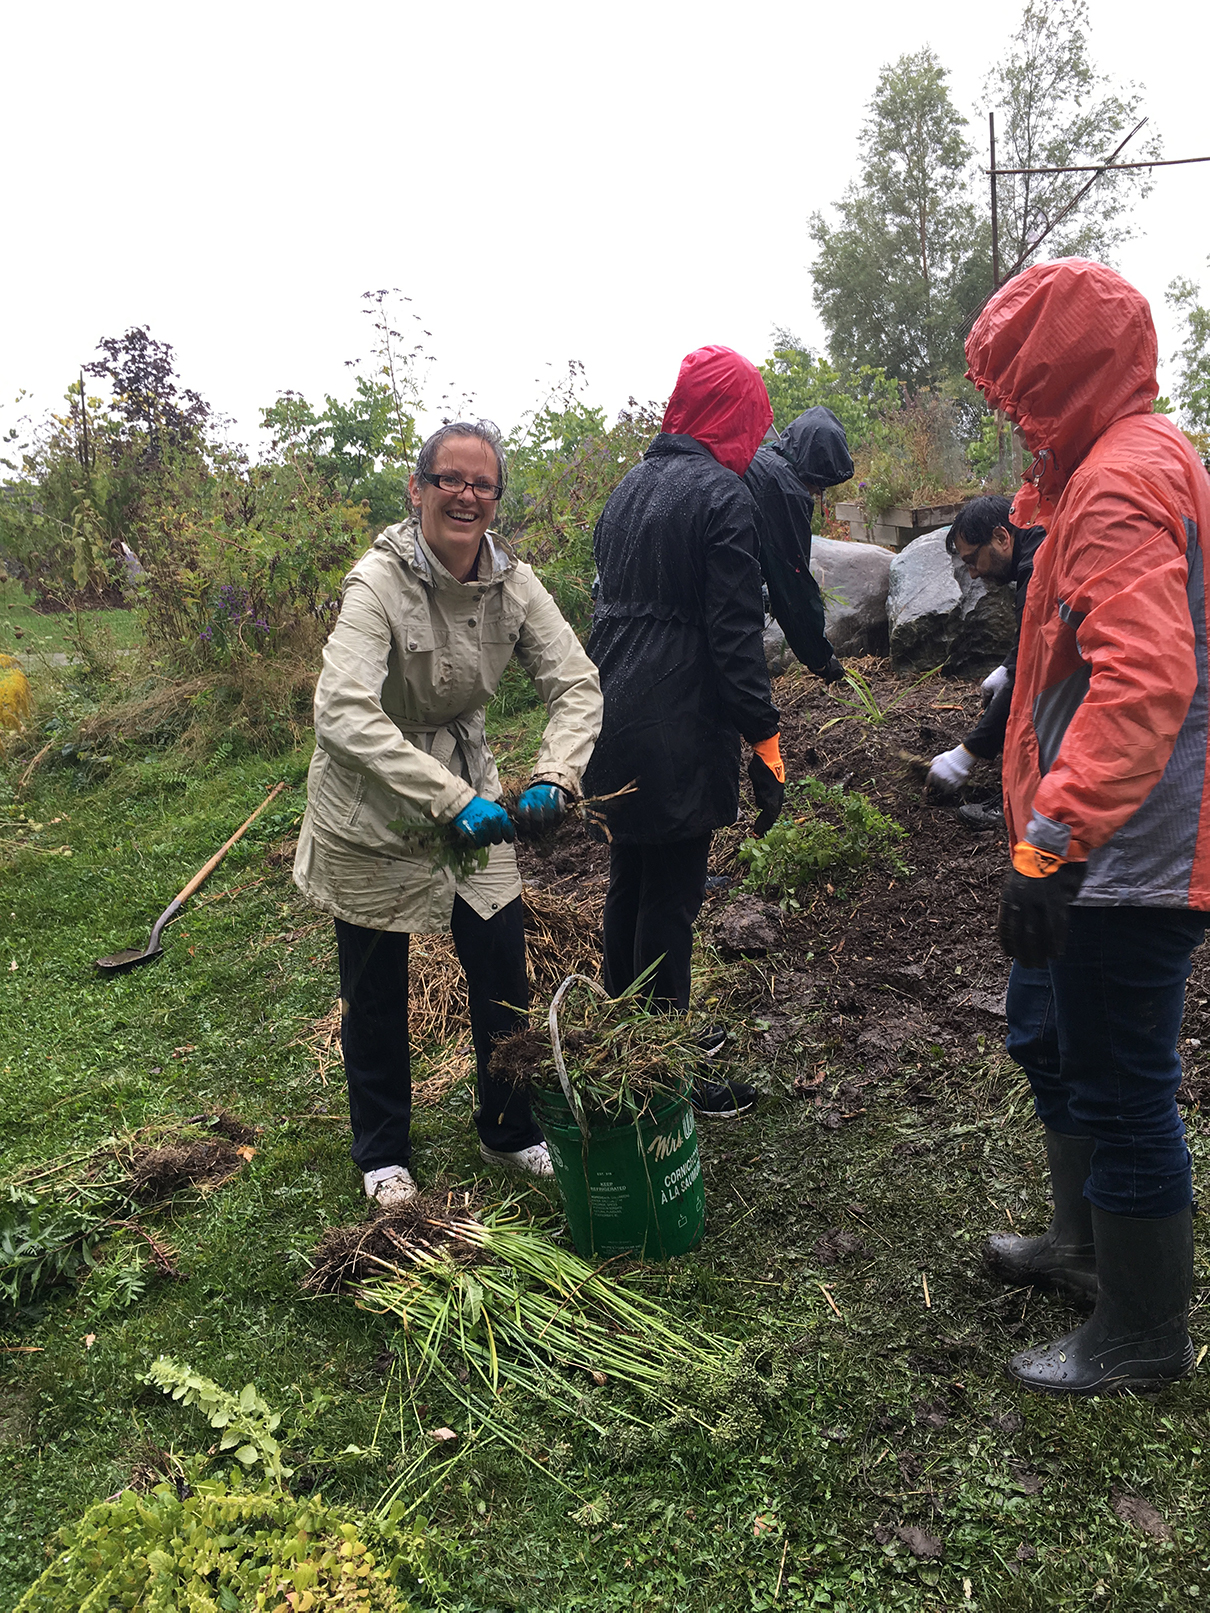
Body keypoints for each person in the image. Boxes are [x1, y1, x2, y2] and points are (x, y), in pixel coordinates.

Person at [964, 258, 1210, 1395]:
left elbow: (1142, 681)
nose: (1009, 407)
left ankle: (1141, 1334)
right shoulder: (1112, 464)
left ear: (1063, 368)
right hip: (1094, 843)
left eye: (1019, 382)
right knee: (1051, 1041)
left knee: (1122, 1085)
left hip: (1123, 855)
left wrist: (1052, 840)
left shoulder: (1117, 486)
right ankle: (1078, 1251)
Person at [293, 420, 602, 1208]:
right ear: (418, 488)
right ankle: (383, 1151)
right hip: (373, 798)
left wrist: (555, 777)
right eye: (449, 480)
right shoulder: (378, 582)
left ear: (496, 499)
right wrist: (452, 798)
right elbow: (342, 709)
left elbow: (576, 684)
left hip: (468, 781)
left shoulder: (514, 584)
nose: (466, 495)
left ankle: (507, 1128)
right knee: (374, 984)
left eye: (482, 483)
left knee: (501, 961)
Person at [583, 345, 785, 1119]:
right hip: (676, 723)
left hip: (610, 710)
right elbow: (735, 639)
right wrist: (765, 746)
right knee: (671, 902)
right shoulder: (722, 498)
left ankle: (622, 1043)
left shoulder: (628, 488)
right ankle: (660, 1076)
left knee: (630, 885)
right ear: (734, 418)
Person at [925, 495, 1046, 826]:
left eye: (972, 560)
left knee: (1047, 708)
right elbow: (1030, 640)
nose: (974, 574)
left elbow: (1033, 670)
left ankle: (1029, 805)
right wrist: (1006, 668)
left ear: (1001, 537)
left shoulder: (1039, 568)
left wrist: (967, 753)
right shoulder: (1035, 543)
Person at [742, 405, 854, 685]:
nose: (817, 494)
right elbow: (793, 585)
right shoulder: (784, 487)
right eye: (819, 488)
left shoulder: (762, 459)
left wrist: (760, 594)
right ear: (816, 471)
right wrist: (821, 659)